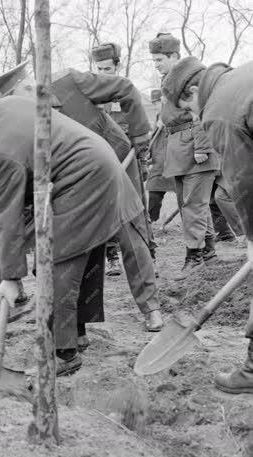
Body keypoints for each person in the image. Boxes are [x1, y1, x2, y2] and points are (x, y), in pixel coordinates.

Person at [0, 93, 143, 375]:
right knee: (83, 251)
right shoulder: (7, 105)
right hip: (100, 163)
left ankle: (63, 354)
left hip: (82, 177)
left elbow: (9, 216)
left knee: (55, 261)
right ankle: (76, 335)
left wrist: (10, 277)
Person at [0, 63, 164, 333]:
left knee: (129, 234)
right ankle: (69, 317)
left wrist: (139, 134)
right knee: (67, 245)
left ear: (29, 85)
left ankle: (151, 308)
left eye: (19, 95)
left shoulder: (71, 82)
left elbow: (125, 88)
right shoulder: (20, 120)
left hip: (114, 165)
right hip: (69, 188)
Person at [162, 56, 253, 394]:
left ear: (195, 90)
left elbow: (243, 182)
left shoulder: (220, 110)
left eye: (190, 108)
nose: (194, 116)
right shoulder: (242, 77)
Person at [150, 32, 219, 279]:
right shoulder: (169, 82)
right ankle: (208, 252)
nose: (156, 64)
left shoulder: (191, 79)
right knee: (192, 203)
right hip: (179, 147)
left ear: (174, 56)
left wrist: (202, 146)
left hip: (193, 147)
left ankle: (195, 257)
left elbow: (203, 112)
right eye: (154, 60)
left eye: (159, 59)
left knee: (193, 204)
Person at [92, 42, 156, 276]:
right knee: (104, 210)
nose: (102, 74)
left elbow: (141, 128)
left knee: (138, 207)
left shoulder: (128, 91)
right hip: (103, 160)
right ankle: (112, 259)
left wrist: (140, 156)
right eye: (99, 69)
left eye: (107, 70)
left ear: (117, 67)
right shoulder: (93, 95)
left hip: (129, 158)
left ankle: (149, 256)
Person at [147, 89, 176, 224]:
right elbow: (155, 141)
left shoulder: (174, 115)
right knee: (154, 192)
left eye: (157, 102)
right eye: (153, 103)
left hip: (175, 162)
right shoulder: (159, 117)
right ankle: (152, 222)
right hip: (159, 163)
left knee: (186, 198)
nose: (155, 105)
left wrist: (168, 124)